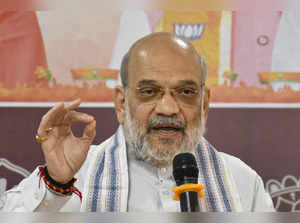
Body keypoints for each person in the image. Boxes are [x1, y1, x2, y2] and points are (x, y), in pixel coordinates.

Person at [1, 32, 274, 212]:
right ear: (121, 103)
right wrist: (56, 183)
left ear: (204, 103)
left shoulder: (242, 181)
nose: (168, 108)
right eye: (149, 91)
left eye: (186, 92)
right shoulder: (74, 176)